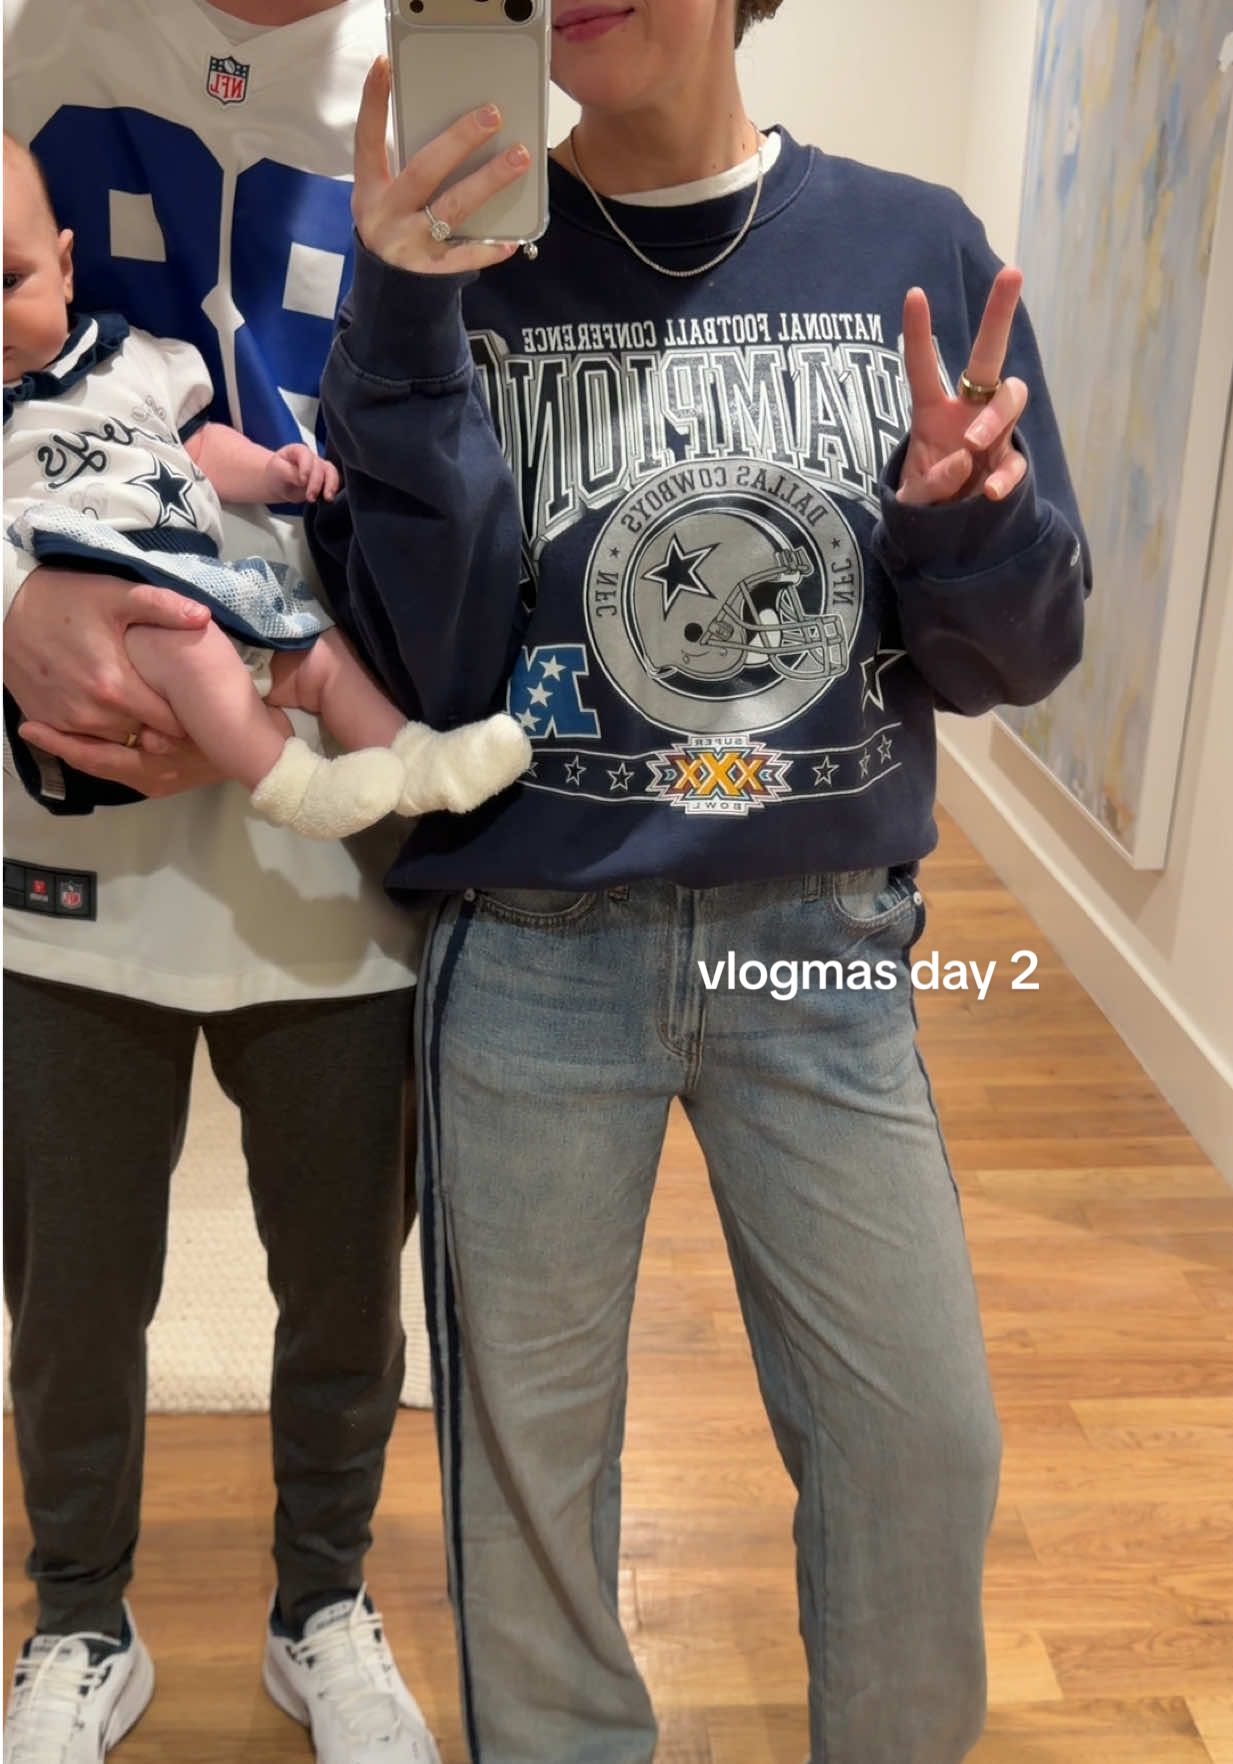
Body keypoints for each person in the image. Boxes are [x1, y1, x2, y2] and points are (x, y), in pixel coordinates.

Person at [308, 2, 1092, 1760]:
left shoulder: (908, 247)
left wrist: (966, 522)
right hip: (529, 946)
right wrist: (406, 325)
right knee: (528, 1479)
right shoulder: (460, 268)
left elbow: (1014, 658)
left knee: (920, 1444)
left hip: (819, 951)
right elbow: (430, 667)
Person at [2, 4, 443, 1761]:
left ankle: (323, 1598)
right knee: (68, 1288)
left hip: (333, 793)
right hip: (68, 820)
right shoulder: (35, 56)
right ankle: (75, 1616)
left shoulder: (450, 73)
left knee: (346, 1278)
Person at [4, 136, 530, 838]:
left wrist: (271, 469)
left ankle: (417, 761)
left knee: (315, 649)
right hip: (96, 616)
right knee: (191, 649)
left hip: (195, 579)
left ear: (65, 266)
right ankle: (298, 788)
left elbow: (196, 443)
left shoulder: (129, 357)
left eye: (9, 280)